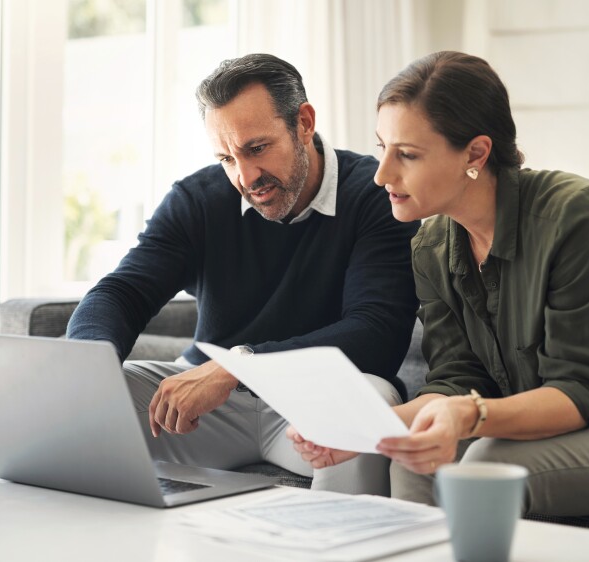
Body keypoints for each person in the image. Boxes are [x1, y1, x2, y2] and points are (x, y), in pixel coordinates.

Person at [290, 51, 589, 516]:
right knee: (412, 457)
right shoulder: (431, 246)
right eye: (383, 149)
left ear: (476, 153)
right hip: (580, 412)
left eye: (408, 155)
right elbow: (457, 378)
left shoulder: (576, 215)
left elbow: (577, 392)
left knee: (487, 463)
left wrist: (470, 415)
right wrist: (367, 431)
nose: (382, 175)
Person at [66, 53, 420, 496]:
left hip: (311, 405)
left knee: (368, 404)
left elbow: (376, 332)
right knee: (73, 404)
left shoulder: (375, 196)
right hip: (208, 411)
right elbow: (121, 293)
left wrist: (237, 366)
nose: (246, 176)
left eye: (256, 149)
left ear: (304, 123)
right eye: (227, 158)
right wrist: (84, 369)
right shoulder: (197, 200)